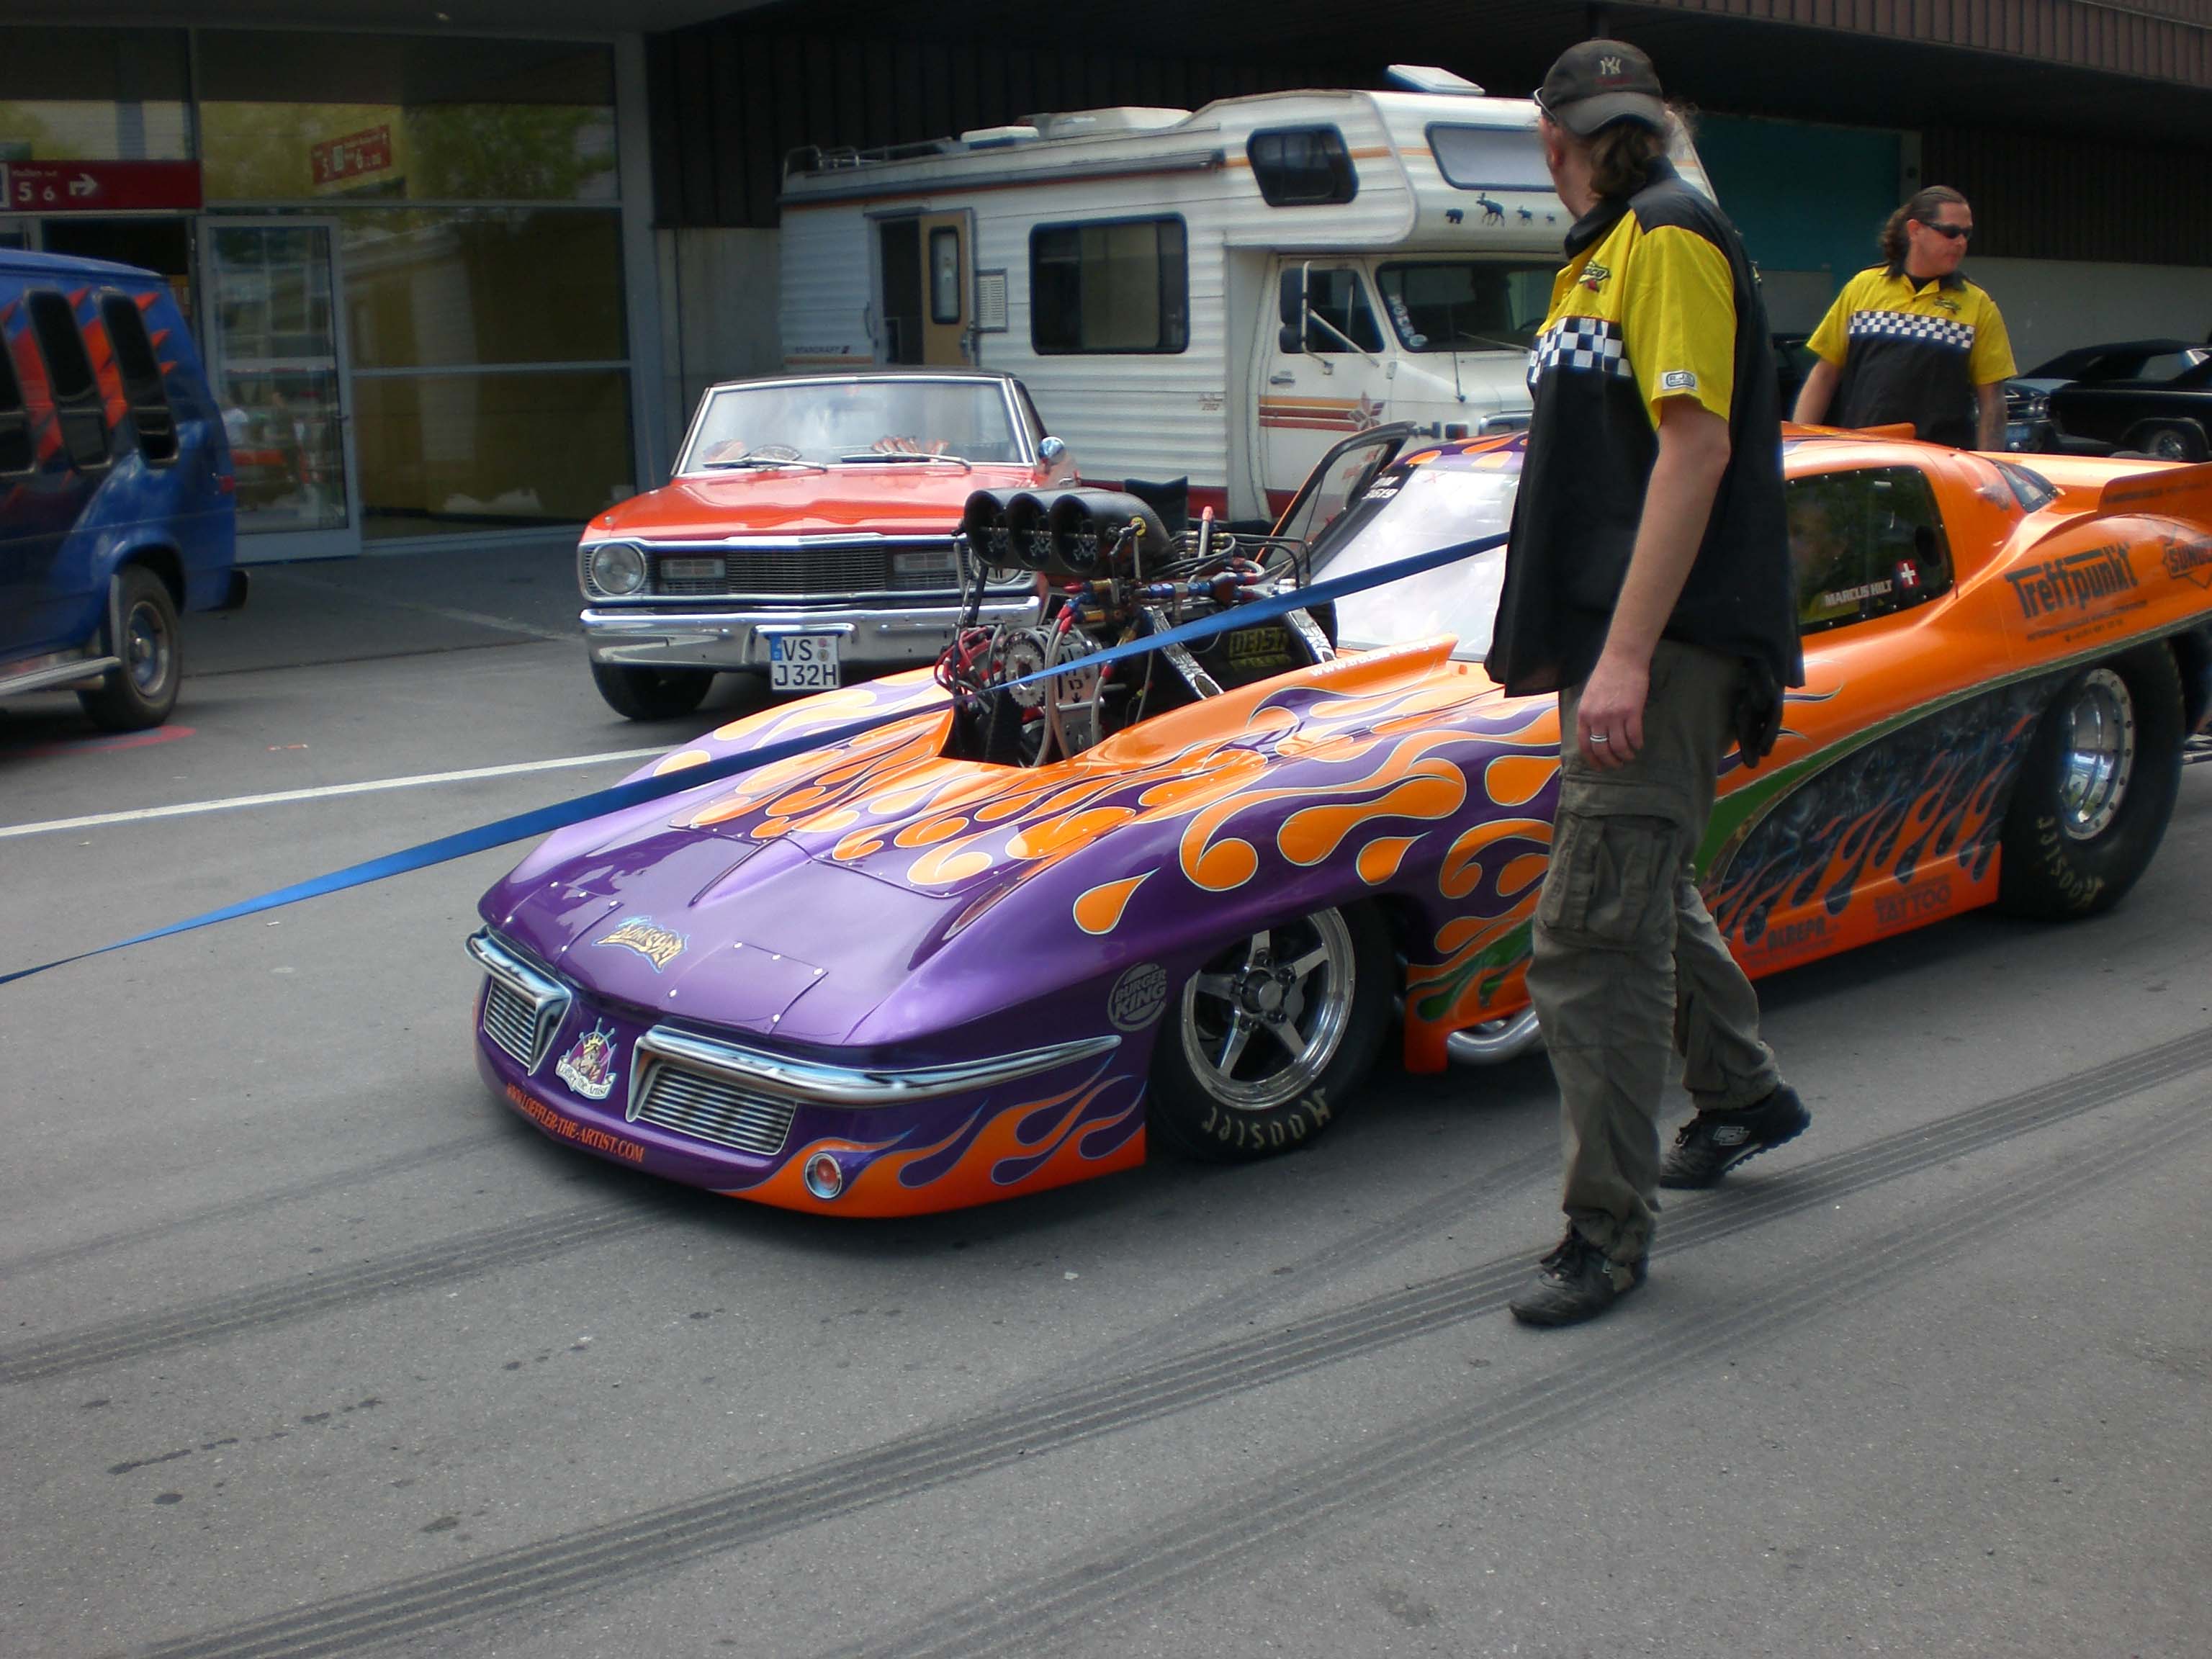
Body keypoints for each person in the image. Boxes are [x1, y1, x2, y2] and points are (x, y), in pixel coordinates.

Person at [1486, 39, 1809, 1328]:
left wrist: (1625, 654)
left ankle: (1605, 1232)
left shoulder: (1667, 237)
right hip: (1615, 635)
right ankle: (1741, 1094)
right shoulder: (1603, 250)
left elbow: (1696, 446)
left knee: (1590, 942)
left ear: (1553, 139)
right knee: (1644, 883)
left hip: (1658, 645)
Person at [1793, 187, 2016, 449]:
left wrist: (1990, 465)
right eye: (1950, 232)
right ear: (1915, 230)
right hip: (1862, 455)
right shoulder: (1862, 287)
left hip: (1937, 463)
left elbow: (1992, 401)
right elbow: (1824, 375)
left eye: (1966, 234)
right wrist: (1796, 447)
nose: (1960, 243)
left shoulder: (1977, 304)